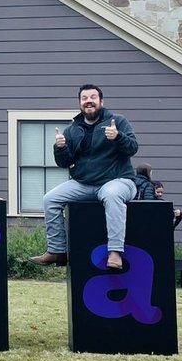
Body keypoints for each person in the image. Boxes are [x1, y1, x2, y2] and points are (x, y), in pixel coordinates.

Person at [31, 84, 138, 271]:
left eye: (93, 97)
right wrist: (60, 149)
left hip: (118, 181)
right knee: (50, 199)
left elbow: (133, 148)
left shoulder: (118, 121)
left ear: (101, 102)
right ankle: (57, 250)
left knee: (112, 195)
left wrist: (118, 137)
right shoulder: (72, 129)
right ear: (80, 103)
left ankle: (114, 252)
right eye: (84, 98)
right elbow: (64, 163)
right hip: (84, 184)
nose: (88, 101)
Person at [133, 163, 181, 231]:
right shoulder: (148, 185)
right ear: (147, 173)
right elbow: (149, 202)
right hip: (144, 217)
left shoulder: (131, 183)